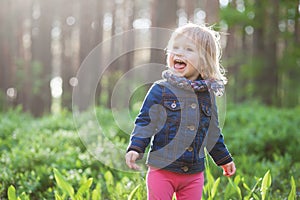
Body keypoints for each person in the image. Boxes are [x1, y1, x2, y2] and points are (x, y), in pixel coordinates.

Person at [125, 23, 236, 200]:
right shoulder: (160, 90)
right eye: (175, 47)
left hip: (193, 174)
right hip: (162, 170)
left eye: (188, 49)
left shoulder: (207, 95)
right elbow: (145, 121)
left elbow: (213, 132)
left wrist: (223, 159)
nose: (178, 53)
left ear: (205, 60)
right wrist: (136, 147)